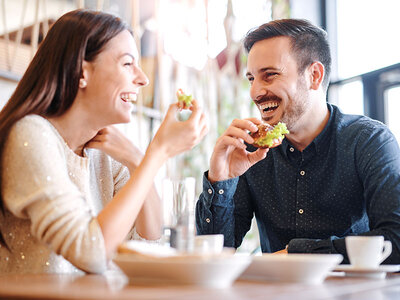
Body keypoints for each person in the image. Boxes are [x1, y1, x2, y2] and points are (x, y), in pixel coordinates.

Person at [0, 9, 208, 274]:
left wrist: (137, 160)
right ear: (81, 71)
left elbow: (150, 243)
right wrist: (158, 152)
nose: (142, 78)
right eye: (127, 63)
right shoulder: (29, 134)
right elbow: (91, 253)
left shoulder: (105, 153)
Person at [196, 18, 400, 264]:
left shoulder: (369, 141)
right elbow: (211, 256)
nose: (255, 92)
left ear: (314, 75)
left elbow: (395, 240)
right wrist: (221, 180)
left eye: (269, 75)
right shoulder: (251, 152)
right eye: (251, 79)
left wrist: (300, 253)